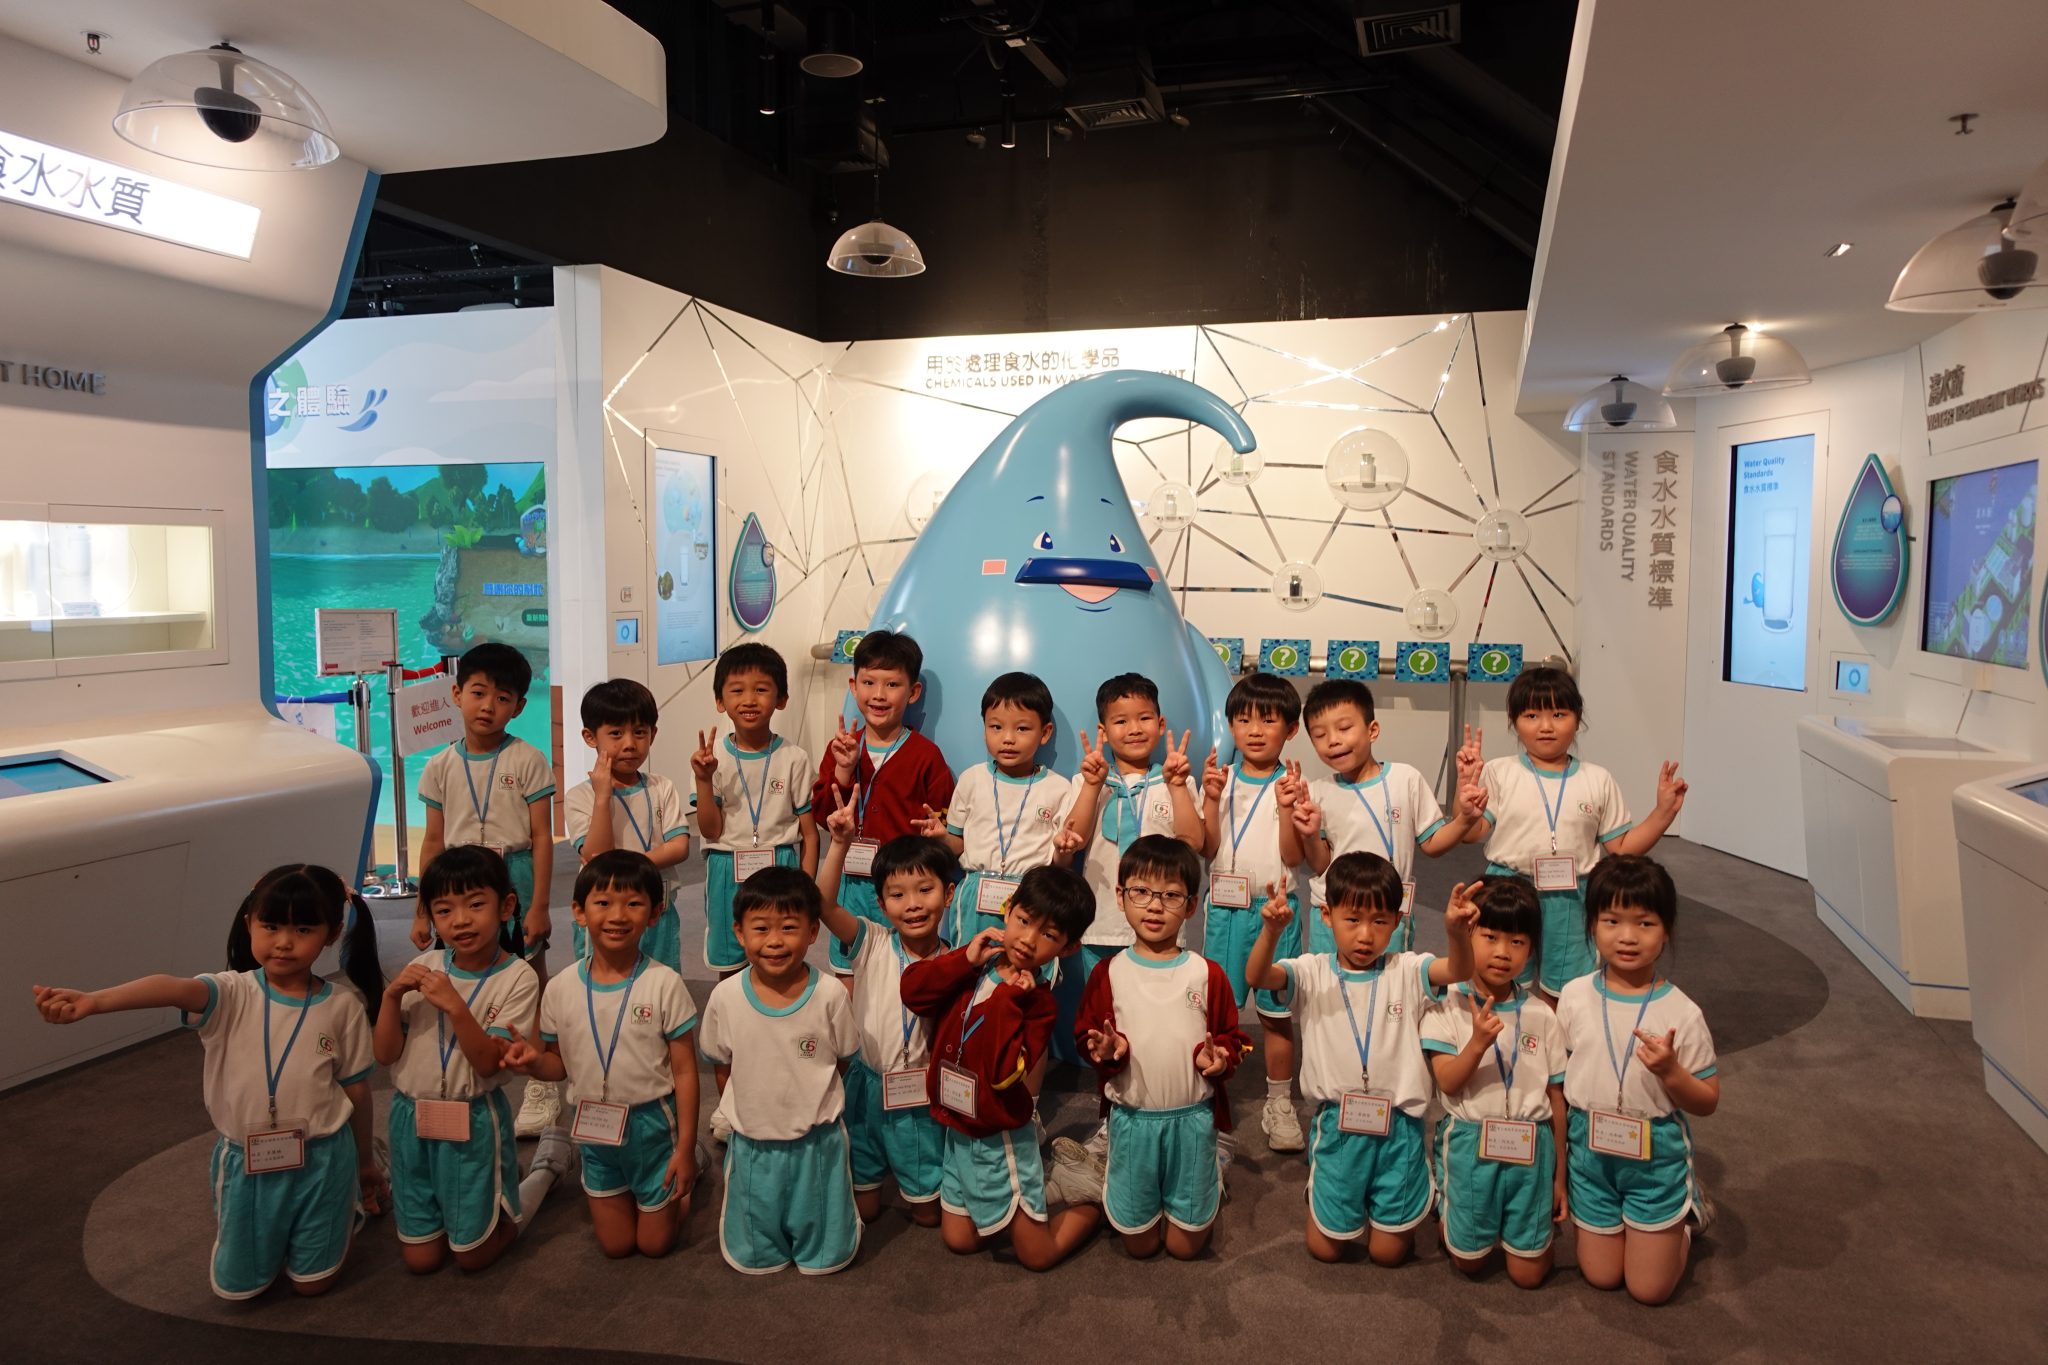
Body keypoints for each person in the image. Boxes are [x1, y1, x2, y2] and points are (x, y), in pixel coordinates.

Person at [34, 864, 385, 1300]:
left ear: (332, 934)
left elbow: (355, 1089)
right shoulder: (230, 994)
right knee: (240, 1287)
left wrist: (363, 1162)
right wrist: (95, 1001)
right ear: (249, 924)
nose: (283, 941)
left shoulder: (343, 1005)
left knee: (313, 1284)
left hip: (324, 1155)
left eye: (303, 929)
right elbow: (169, 987)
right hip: (248, 1159)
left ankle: (351, 1197)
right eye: (271, 926)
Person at [1268, 678, 1484, 1154]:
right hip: (1334, 919)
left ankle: (1385, 1089)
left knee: (1392, 1002)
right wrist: (1309, 832)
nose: (1333, 741)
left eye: (1344, 728)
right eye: (1320, 734)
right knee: (1333, 1007)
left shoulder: (1405, 779)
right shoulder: (1318, 792)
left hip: (1390, 918)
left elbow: (1433, 843)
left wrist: (1465, 819)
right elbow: (1319, 864)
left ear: (1373, 729)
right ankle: (1335, 1103)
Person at [1244, 853, 1478, 1265]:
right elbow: (1258, 977)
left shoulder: (1407, 969)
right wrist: (1271, 932)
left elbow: (1458, 970)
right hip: (1339, 1124)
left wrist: (1457, 935)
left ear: (1398, 920)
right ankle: (1340, 1197)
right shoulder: (1312, 971)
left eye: (1380, 921)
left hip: (1399, 1126)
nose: (1366, 935)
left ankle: (1400, 1203)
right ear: (1326, 915)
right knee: (1325, 1249)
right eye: (1352, 920)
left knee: (1388, 1255)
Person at [374, 846, 566, 1274]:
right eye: (444, 910)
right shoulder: (425, 964)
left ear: (506, 906)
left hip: (472, 1116)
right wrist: (390, 997)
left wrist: (456, 1006)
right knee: (421, 1260)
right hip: (410, 1117)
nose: (460, 920)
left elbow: (487, 1064)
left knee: (473, 1256)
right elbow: (384, 1054)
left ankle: (545, 1170)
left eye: (476, 905)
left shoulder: (517, 976)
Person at [901, 866, 1104, 1270]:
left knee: (1037, 1255)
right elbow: (913, 993)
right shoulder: (976, 964)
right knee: (959, 1239)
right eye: (1024, 920)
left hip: (1001, 1135)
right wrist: (961, 960)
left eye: (1048, 935)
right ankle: (1042, 1192)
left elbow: (1003, 1074)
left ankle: (1092, 1198)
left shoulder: (1038, 1004)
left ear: (1067, 948)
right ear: (1008, 910)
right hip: (959, 1126)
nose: (1028, 939)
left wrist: (1009, 1002)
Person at [500, 851, 701, 1259]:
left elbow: (684, 1072)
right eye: (603, 902)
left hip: (651, 1126)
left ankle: (692, 1166)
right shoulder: (560, 989)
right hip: (592, 1125)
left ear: (654, 913)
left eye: (633, 903)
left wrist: (684, 1147)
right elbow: (557, 1065)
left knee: (654, 1245)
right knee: (616, 1246)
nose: (618, 916)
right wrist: (533, 1062)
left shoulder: (664, 983)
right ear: (579, 911)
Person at [1069, 836, 1249, 1260]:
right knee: (1140, 1245)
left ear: (1191, 906)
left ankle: (1213, 1161)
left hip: (1193, 1119)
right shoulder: (1109, 973)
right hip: (1132, 1121)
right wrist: (1106, 1051)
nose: (1154, 906)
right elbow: (1087, 1037)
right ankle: (1110, 1169)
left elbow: (1231, 1038)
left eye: (1170, 895)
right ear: (1120, 896)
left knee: (1185, 1248)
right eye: (1141, 892)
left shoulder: (1206, 973)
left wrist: (1220, 1058)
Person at [1461, 666, 1688, 996]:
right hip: (1507, 891)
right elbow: (1471, 833)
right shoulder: (1499, 772)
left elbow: (1622, 847)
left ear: (1578, 719)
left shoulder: (1597, 779)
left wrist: (1663, 813)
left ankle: (1554, 1031)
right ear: (1514, 722)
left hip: (1571, 895)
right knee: (1500, 979)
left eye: (1559, 714)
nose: (1546, 726)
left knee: (1564, 989)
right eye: (1532, 715)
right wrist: (1465, 801)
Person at [410, 643, 559, 1137]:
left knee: (529, 972)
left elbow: (542, 837)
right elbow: (433, 841)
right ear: (456, 694)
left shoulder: (528, 758)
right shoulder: (439, 766)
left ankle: (539, 1080)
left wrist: (539, 905)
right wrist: (422, 910)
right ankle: (456, 1068)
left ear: (518, 706)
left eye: (502, 697)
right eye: (478, 693)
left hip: (513, 874)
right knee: (462, 968)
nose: (488, 706)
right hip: (457, 883)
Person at [1555, 854, 1718, 1305]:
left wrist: (1671, 1072)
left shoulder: (1682, 1012)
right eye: (1611, 921)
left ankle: (1686, 1216)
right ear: (1592, 925)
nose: (1627, 937)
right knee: (1602, 1276)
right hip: (1589, 1148)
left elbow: (1707, 1101)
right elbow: (1558, 1081)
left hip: (1654, 1153)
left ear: (1666, 931)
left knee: (1649, 1290)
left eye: (1645, 923)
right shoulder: (1574, 996)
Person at [697, 867, 864, 1275]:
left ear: (812, 932)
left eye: (789, 927)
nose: (774, 941)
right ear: (739, 933)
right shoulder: (725, 997)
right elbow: (722, 1064)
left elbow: (843, 1058)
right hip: (753, 1142)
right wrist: (742, 1108)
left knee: (825, 1249)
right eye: (761, 928)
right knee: (757, 1248)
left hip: (817, 1143)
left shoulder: (829, 994)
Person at [1421, 876, 1568, 1289]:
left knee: (1529, 1275)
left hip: (1532, 1145)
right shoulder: (1446, 1004)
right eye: (1490, 937)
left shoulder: (1542, 1014)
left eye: (1517, 942)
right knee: (1469, 1263)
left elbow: (1556, 1098)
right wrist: (1477, 1044)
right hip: (1471, 1142)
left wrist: (1559, 1177)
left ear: (1531, 949)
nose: (1503, 952)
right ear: (1466, 934)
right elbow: (1448, 1083)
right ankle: (1448, 1202)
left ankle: (1519, 1221)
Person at [820, 785, 957, 1225]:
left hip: (921, 1090)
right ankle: (871, 1171)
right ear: (881, 904)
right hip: (866, 1084)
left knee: (928, 1213)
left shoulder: (955, 962)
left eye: (925, 890)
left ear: (948, 894)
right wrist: (838, 844)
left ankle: (919, 1176)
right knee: (866, 1209)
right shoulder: (872, 942)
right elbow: (823, 905)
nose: (913, 905)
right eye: (898, 895)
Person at [1063, 672, 1202, 1065]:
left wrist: (1178, 786)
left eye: (1144, 718)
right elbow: (1072, 838)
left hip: (1162, 921)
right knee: (1104, 1015)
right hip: (1102, 921)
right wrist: (1092, 785)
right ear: (1104, 731)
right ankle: (1110, 1091)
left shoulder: (1175, 779)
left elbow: (1193, 842)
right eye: (1121, 721)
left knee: (1159, 1011)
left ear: (1160, 723)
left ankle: (1159, 1080)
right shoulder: (1088, 780)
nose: (1134, 728)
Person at [810, 630, 955, 973]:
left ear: (913, 692)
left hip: (903, 889)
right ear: (853, 686)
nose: (878, 695)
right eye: (869, 682)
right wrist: (844, 771)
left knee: (902, 973)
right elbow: (823, 815)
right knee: (849, 974)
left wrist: (938, 833)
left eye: (892, 684)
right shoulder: (842, 748)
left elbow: (943, 821)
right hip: (850, 885)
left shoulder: (926, 756)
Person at [921, 671, 1090, 946]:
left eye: (1022, 729)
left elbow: (1061, 864)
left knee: (1028, 965)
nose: (1008, 738)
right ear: (984, 728)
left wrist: (1064, 852)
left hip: (1034, 896)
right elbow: (958, 845)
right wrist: (941, 838)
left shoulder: (1059, 788)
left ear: (1045, 733)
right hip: (976, 894)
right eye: (996, 727)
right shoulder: (972, 779)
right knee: (969, 962)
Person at [691, 642, 817, 979]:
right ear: (720, 701)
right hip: (726, 865)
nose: (749, 699)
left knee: (782, 956)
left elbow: (809, 833)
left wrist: (807, 887)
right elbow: (710, 830)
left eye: (761, 689)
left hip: (781, 864)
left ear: (781, 698)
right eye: (737, 690)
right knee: (730, 961)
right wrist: (703, 780)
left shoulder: (794, 758)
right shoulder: (712, 758)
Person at [564, 679, 691, 973]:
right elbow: (597, 856)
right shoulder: (580, 796)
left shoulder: (661, 787)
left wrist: (635, 868)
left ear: (653, 734)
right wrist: (602, 798)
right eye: (616, 733)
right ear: (590, 737)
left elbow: (680, 846)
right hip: (606, 911)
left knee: (659, 978)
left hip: (657, 908)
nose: (630, 744)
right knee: (605, 979)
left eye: (640, 732)